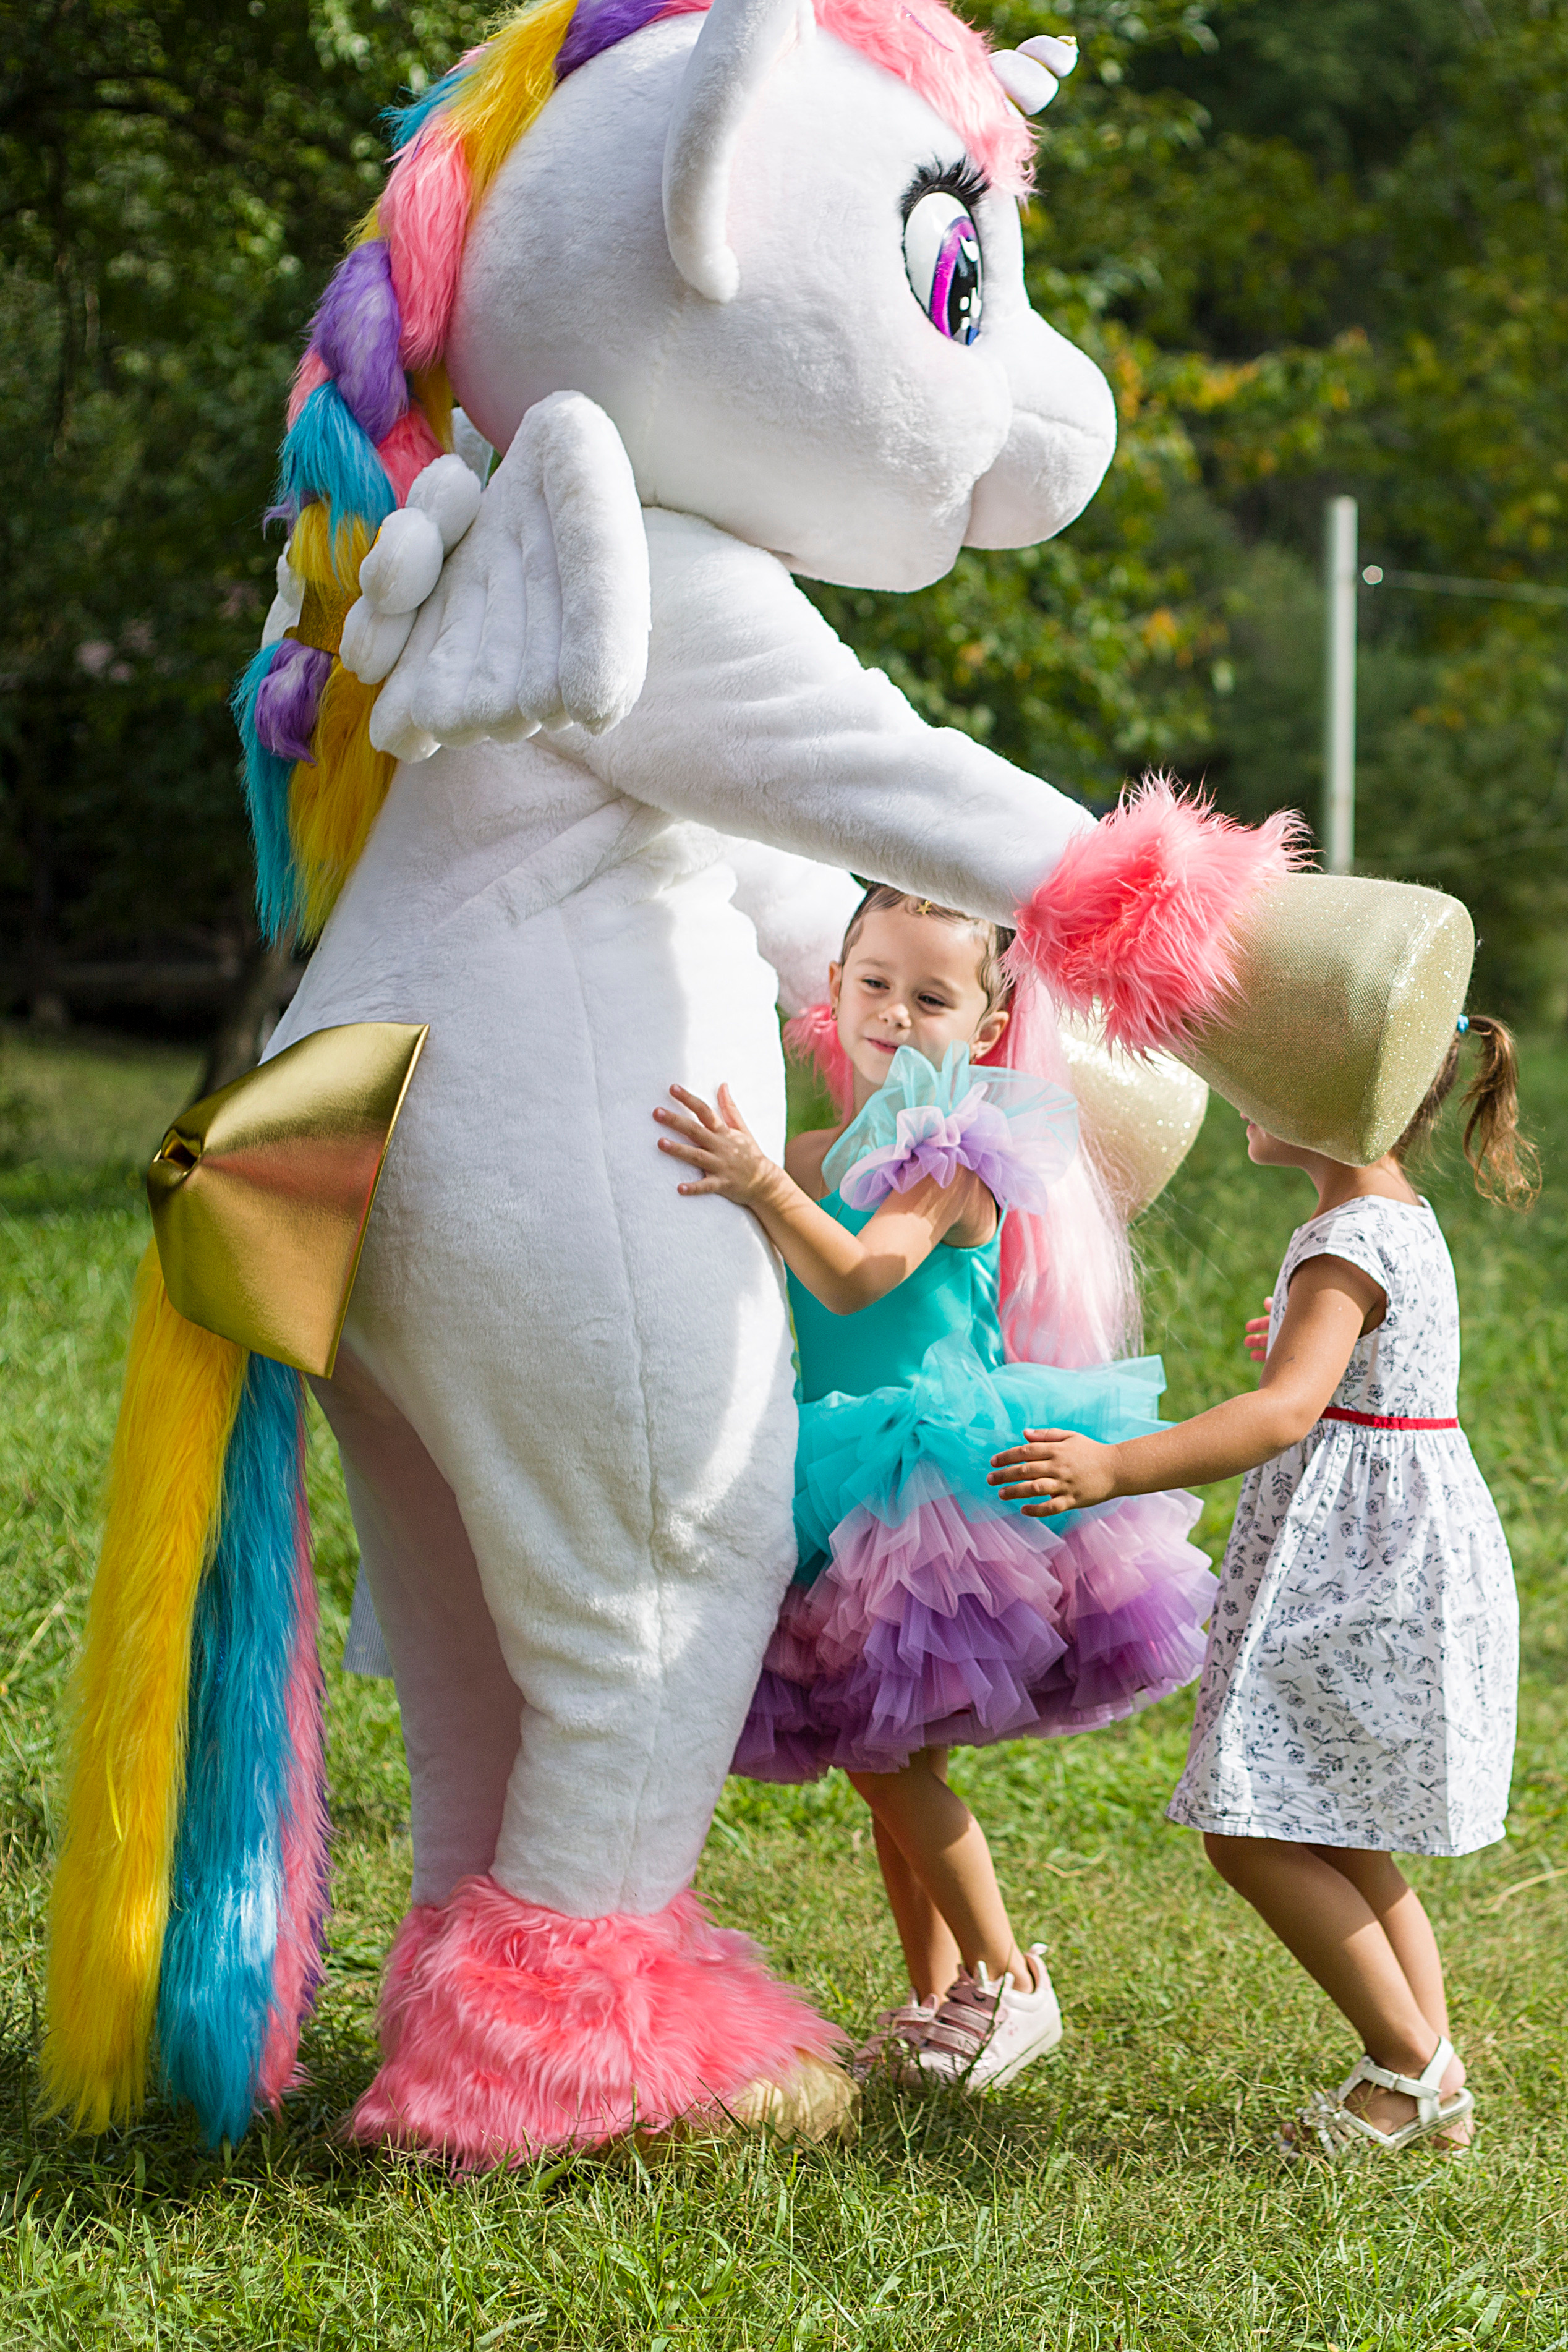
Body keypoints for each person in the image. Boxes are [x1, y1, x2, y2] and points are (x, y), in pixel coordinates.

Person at [654, 887, 1214, 2092]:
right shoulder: (814, 1153)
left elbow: (860, 1275)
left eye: (929, 997)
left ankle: (1010, 1982)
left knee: (890, 1761)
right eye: (873, 984)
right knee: (881, 1752)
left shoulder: (949, 1151)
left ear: (986, 1015)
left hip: (930, 1473)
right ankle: (932, 1997)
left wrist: (759, 1187)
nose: (894, 1016)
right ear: (833, 985)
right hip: (834, 1467)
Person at [990, 1015, 1537, 2156]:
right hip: (1396, 1555)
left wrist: (1114, 1466)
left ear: (1331, 1108)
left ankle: (1408, 2067)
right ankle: (1428, 2079)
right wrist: (1298, 1343)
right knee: (1345, 1832)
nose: (1241, 1095)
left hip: (1357, 1572)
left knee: (1252, 1832)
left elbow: (1287, 1413)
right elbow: (1351, 1376)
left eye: (1262, 1075)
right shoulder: (1394, 1218)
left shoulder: (1345, 1238)